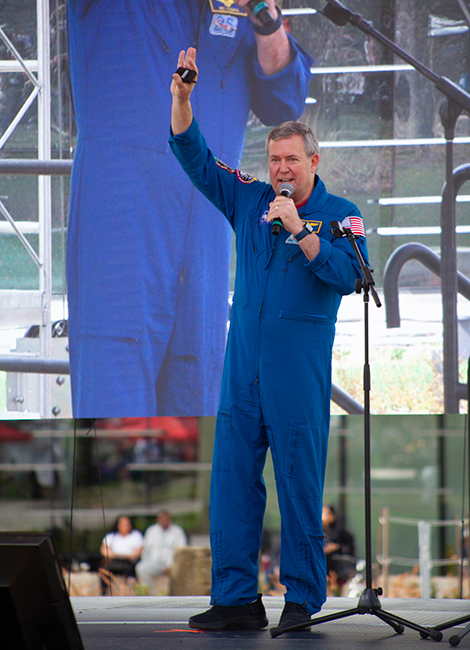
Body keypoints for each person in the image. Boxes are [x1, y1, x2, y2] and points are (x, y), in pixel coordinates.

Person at [169, 48, 368, 631]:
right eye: (274, 158)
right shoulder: (250, 198)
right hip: (242, 371)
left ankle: (302, 600)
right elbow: (198, 159)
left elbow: (351, 276)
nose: (281, 168)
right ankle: (235, 598)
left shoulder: (341, 215)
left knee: (298, 482)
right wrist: (182, 98)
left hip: (296, 376)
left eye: (291, 159)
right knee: (231, 480)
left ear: (313, 161)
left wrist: (301, 231)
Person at [66, 0, 313, 417]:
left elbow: (284, 102)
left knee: (197, 400)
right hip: (121, 223)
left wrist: (267, 19)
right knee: (115, 402)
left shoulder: (238, 9)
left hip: (207, 231)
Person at [135, 511, 187, 589]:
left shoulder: (178, 532)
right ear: (158, 519)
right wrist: (145, 561)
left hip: (171, 565)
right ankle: (151, 595)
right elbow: (146, 550)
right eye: (162, 519)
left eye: (166, 519)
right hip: (154, 564)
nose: (164, 521)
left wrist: (170, 565)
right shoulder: (151, 531)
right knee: (140, 568)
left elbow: (181, 551)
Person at [99, 515, 143, 594]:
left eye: (126, 524)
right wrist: (116, 555)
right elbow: (104, 550)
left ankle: (129, 592)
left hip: (129, 562)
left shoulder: (136, 536)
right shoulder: (111, 536)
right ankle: (104, 592)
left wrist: (125, 555)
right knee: (104, 569)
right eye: (122, 524)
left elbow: (138, 552)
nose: (124, 526)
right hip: (114, 562)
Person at [322, 504, 356, 592]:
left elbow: (349, 546)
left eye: (327, 513)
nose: (325, 516)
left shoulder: (340, 531)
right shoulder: (318, 530)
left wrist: (336, 547)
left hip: (337, 567)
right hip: (323, 565)